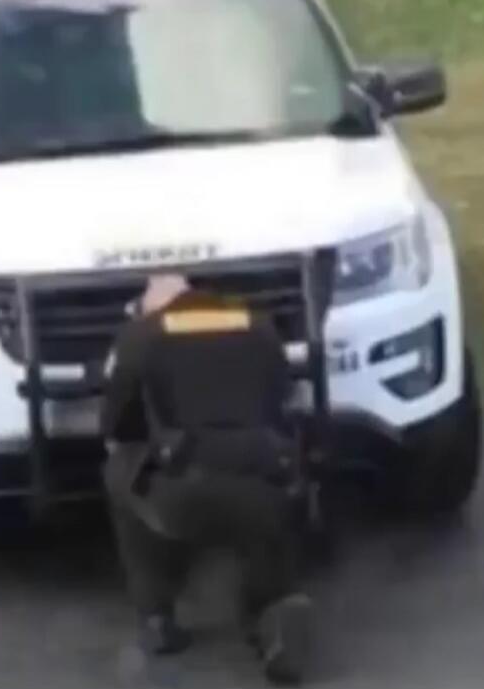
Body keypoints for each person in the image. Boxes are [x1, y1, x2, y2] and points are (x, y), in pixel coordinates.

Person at [101, 273, 313, 684]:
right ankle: (270, 614)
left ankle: (157, 616)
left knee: (121, 466)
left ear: (151, 305)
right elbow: (282, 401)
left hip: (184, 488)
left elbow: (117, 426)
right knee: (265, 530)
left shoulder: (141, 335)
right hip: (263, 479)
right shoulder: (259, 326)